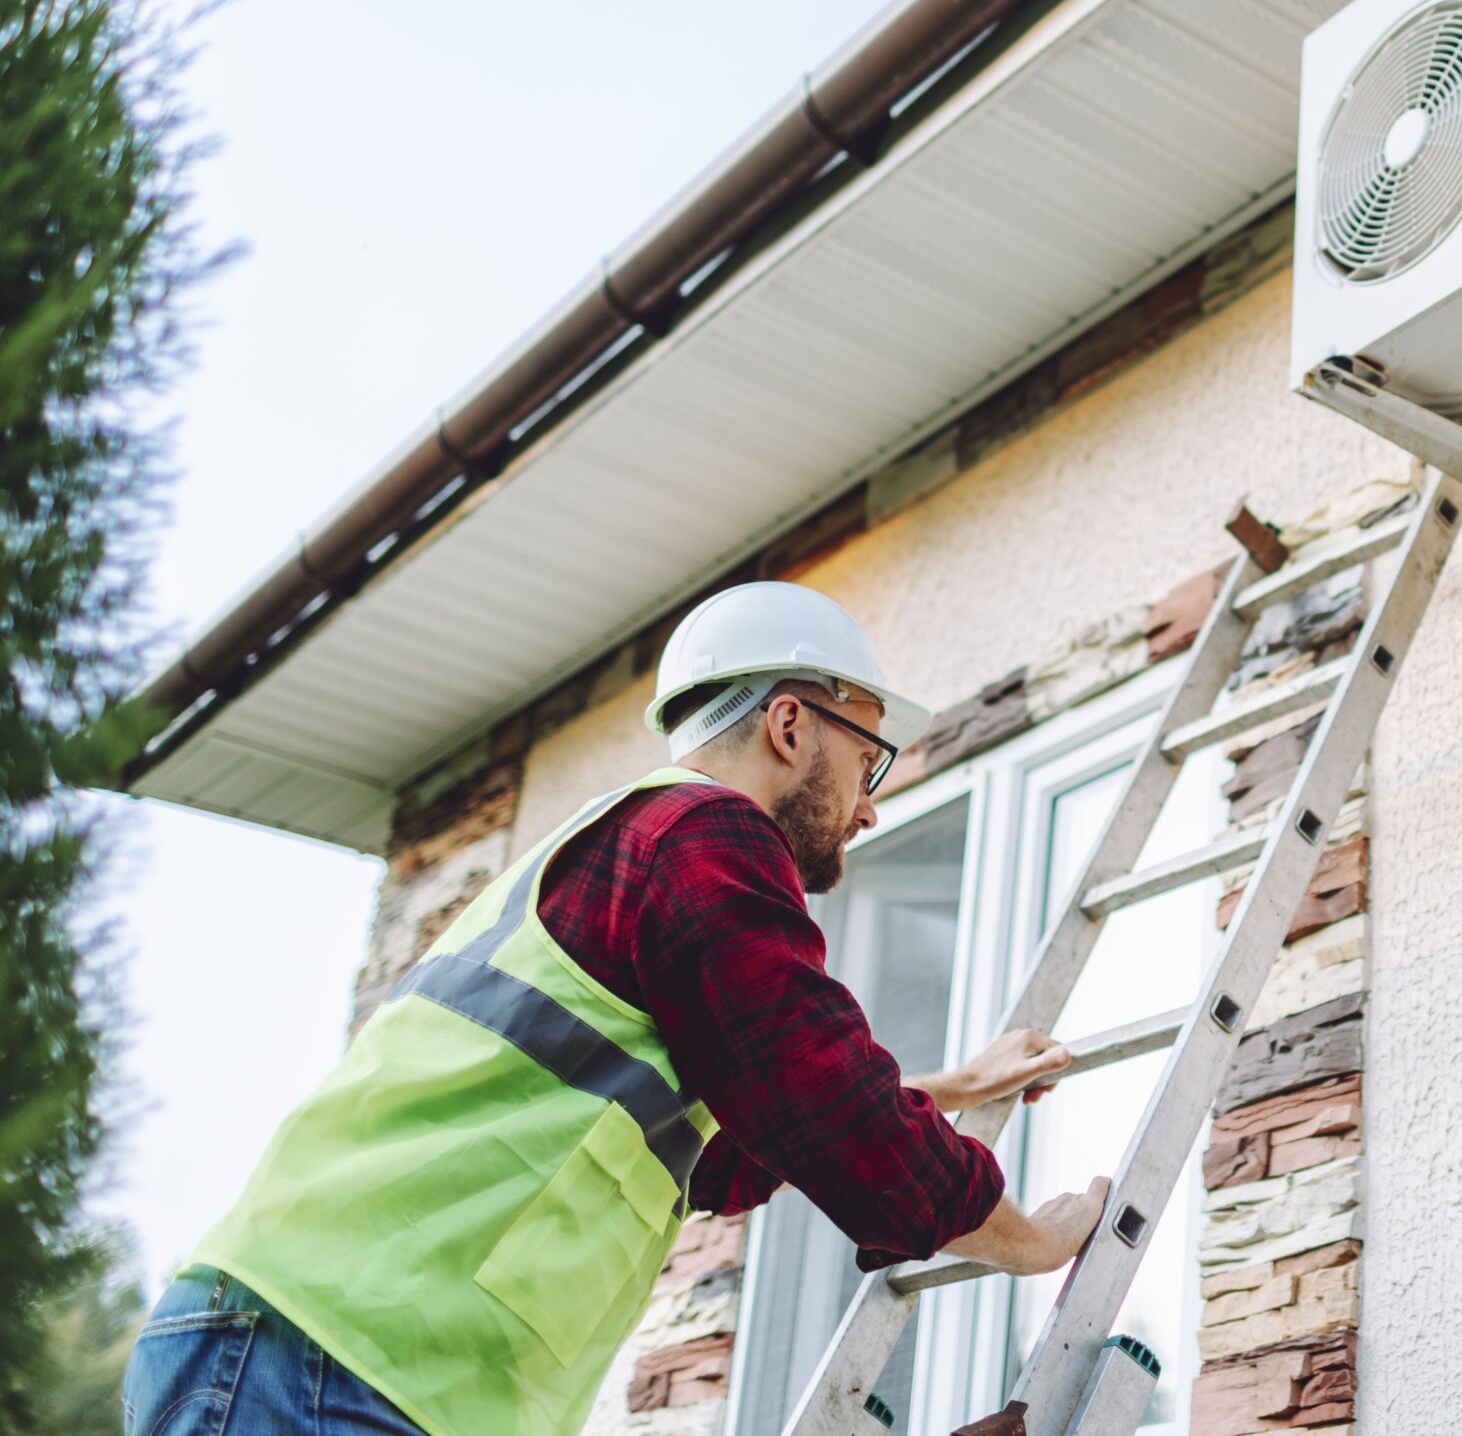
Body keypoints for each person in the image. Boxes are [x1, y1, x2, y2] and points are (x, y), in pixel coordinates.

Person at [122, 581, 1107, 1436]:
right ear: (791, 725)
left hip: (322, 1352)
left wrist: (947, 1088)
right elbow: (822, 1109)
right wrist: (1035, 1244)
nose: (869, 803)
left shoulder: (630, 843)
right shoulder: (705, 835)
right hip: (331, 1362)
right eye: (869, 760)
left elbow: (727, 1149)